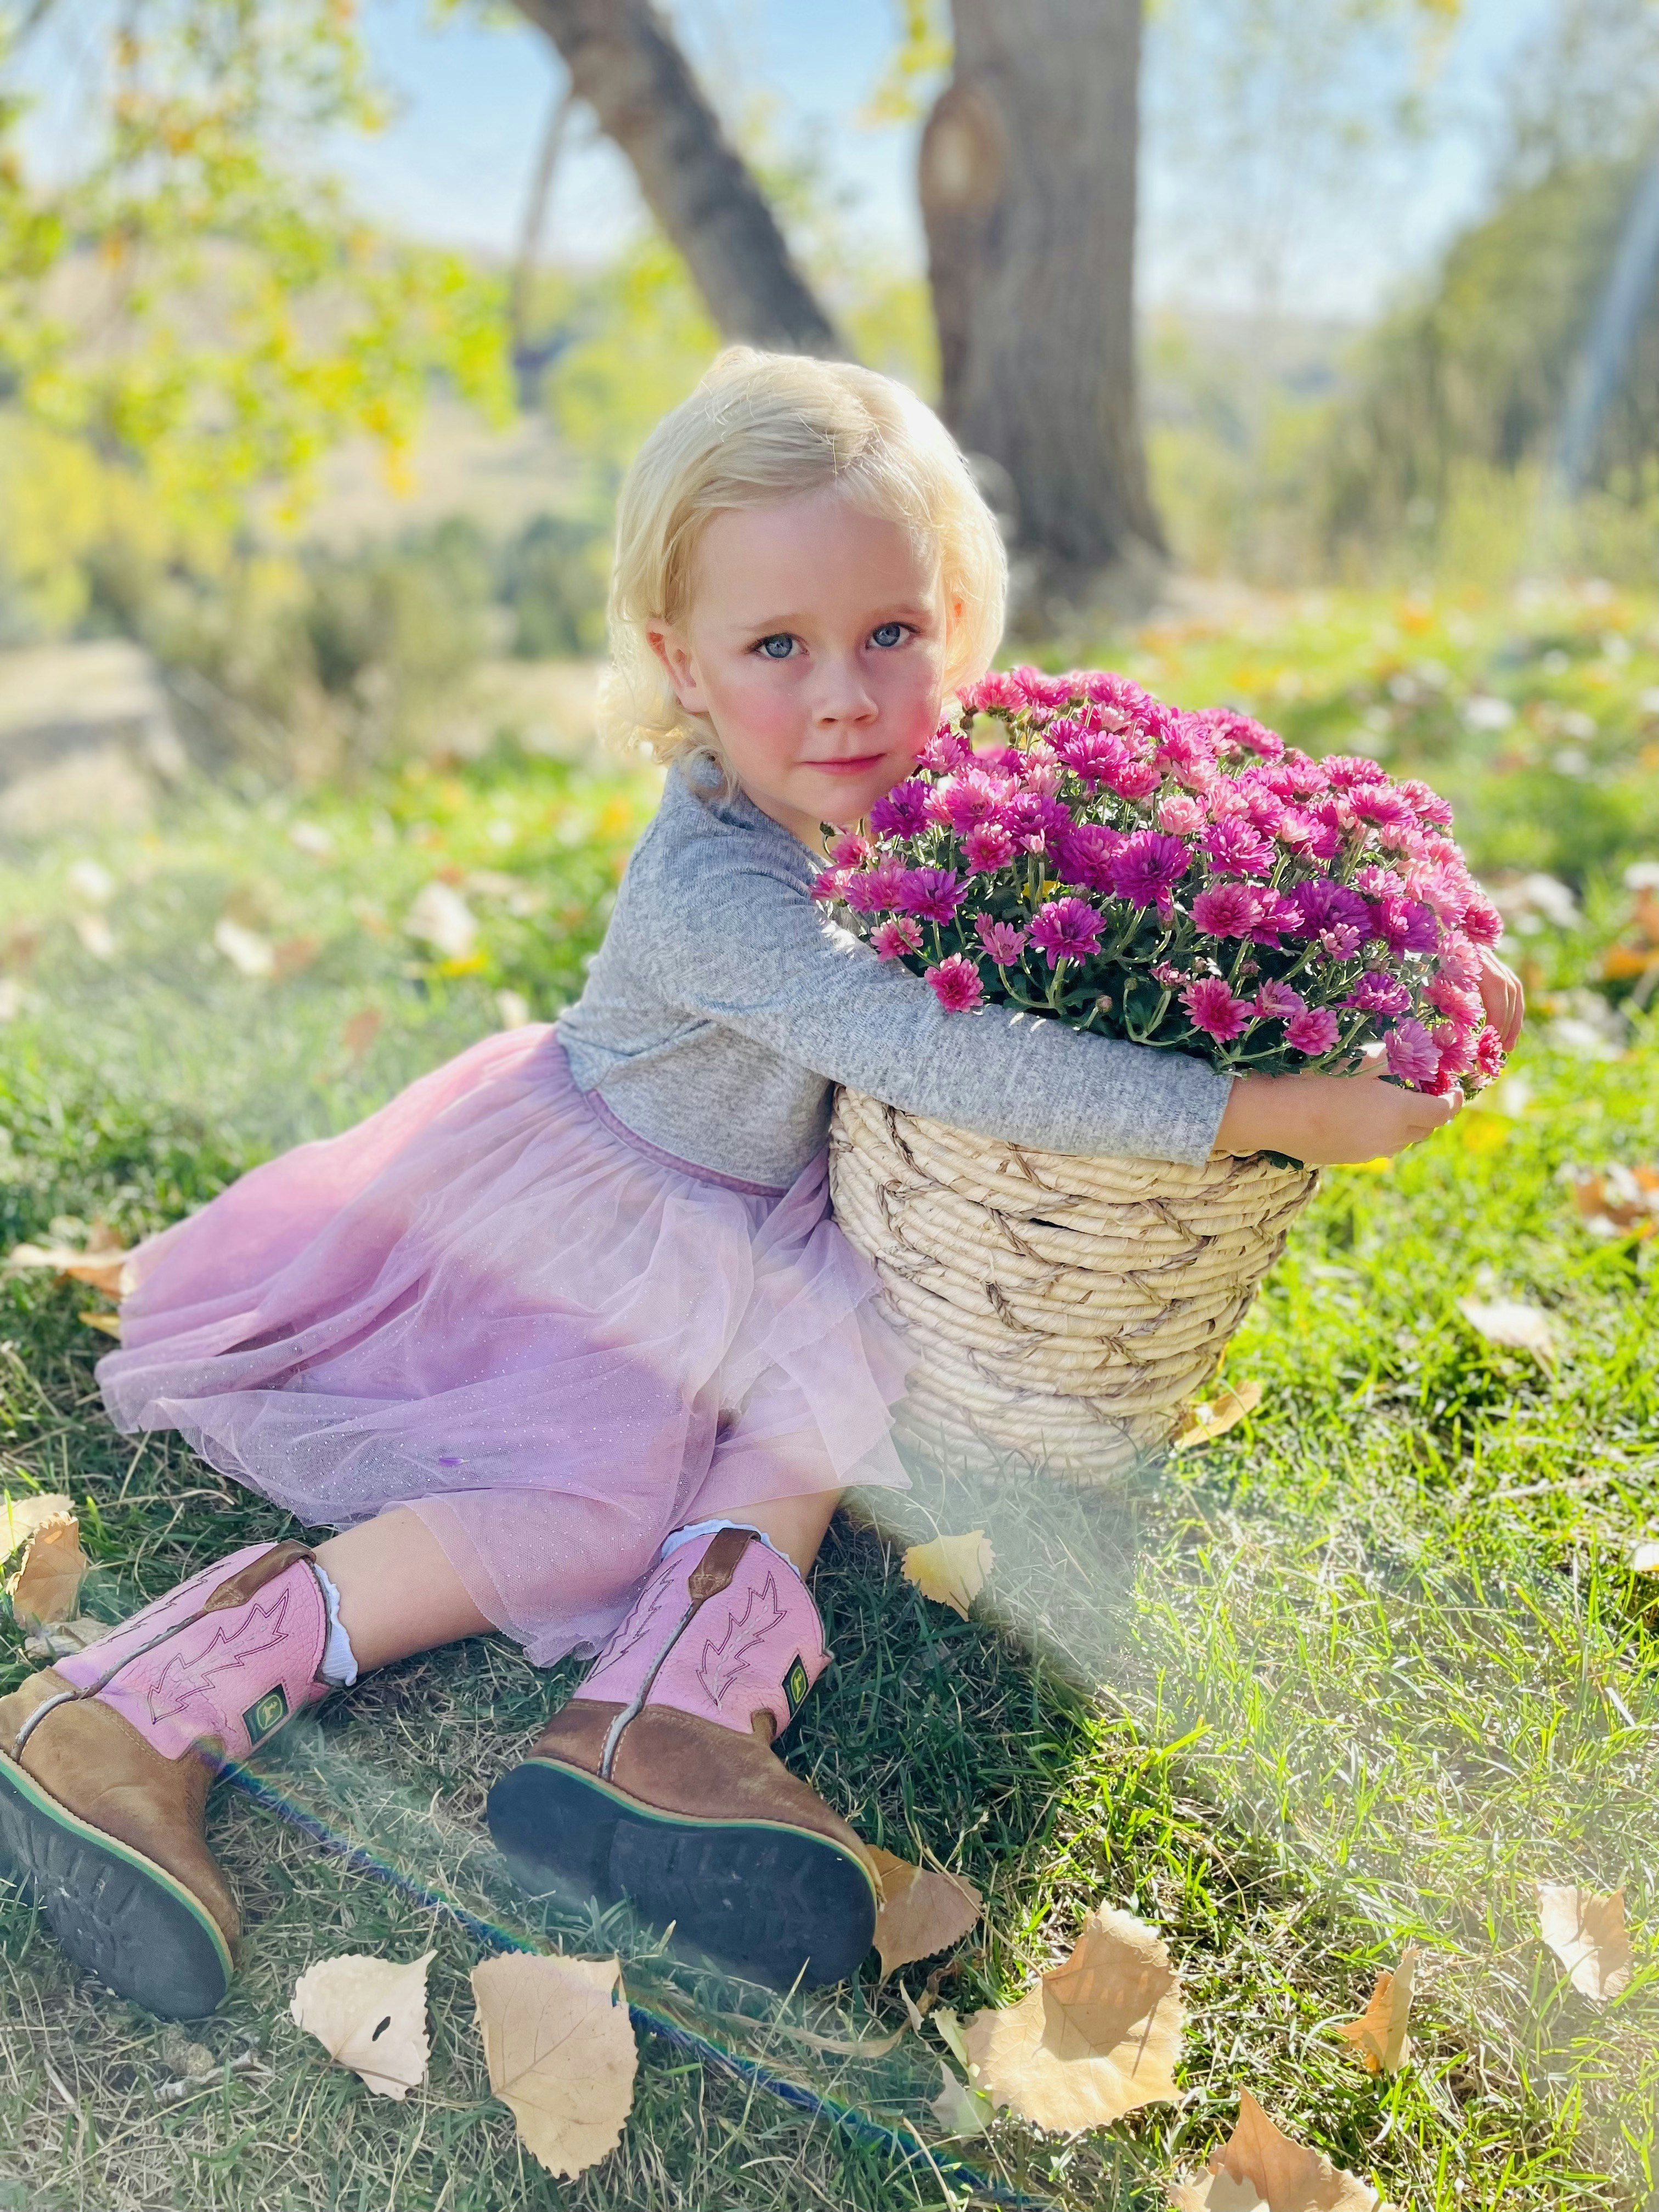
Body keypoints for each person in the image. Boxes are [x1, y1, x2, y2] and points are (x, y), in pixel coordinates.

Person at [0, 349, 1523, 2021]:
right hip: (599, 1223)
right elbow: (943, 1053)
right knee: (589, 1506)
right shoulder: (718, 883)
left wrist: (1403, 984)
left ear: (955, 613)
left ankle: (671, 1722)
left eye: (892, 633)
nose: (847, 697)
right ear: (681, 666)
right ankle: (134, 1704)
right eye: (775, 648)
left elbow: (1191, 853)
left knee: (822, 1393)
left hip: (773, 1230)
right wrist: (1260, 1105)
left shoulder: (952, 792)